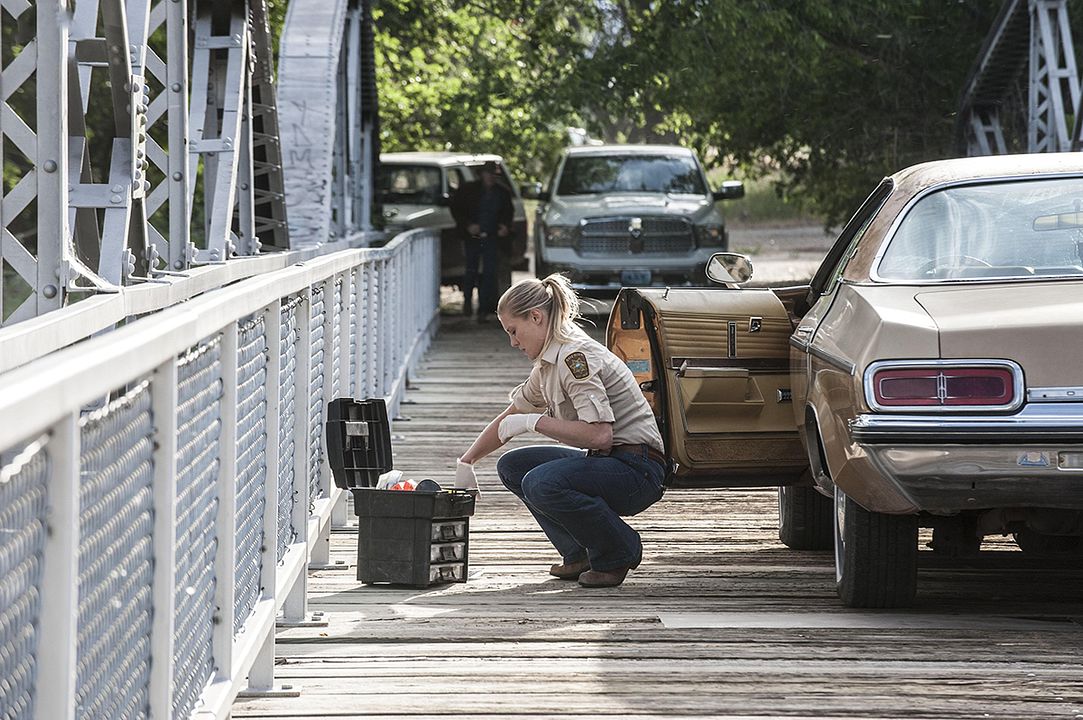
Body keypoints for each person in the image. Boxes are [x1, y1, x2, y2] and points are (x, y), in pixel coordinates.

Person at [455, 274, 666, 587]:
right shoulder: (548, 362)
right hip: (609, 461)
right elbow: (511, 416)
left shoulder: (573, 357)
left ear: (536, 317)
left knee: (541, 482)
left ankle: (618, 551)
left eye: (513, 331)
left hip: (638, 470)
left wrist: (533, 423)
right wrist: (467, 461)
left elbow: (599, 435)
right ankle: (578, 552)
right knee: (513, 466)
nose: (513, 342)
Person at [449, 161, 514, 322]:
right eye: (488, 173)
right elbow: (456, 209)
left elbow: (508, 212)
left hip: (492, 237)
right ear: (482, 174)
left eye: (494, 174)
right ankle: (467, 302)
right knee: (471, 270)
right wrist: (468, 225)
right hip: (472, 237)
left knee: (489, 273)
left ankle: (483, 309)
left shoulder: (503, 193)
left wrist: (504, 227)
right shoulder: (468, 190)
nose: (491, 177)